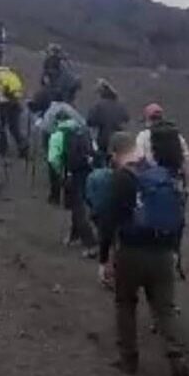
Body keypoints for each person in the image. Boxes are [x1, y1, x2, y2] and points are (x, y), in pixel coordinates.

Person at [98, 131, 189, 376]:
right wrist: (174, 251)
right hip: (162, 253)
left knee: (125, 303)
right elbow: (179, 217)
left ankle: (129, 359)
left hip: (131, 252)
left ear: (116, 154)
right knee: (164, 309)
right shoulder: (161, 174)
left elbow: (108, 221)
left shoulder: (122, 178)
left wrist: (104, 258)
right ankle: (176, 356)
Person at [47, 110, 97, 254]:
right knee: (85, 203)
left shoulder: (58, 135)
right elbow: (94, 149)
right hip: (88, 170)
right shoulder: (83, 131)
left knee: (78, 207)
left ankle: (91, 243)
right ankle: (75, 236)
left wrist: (60, 172)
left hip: (71, 173)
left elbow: (53, 159)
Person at [39, 99, 86, 206]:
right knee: (70, 171)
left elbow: (45, 129)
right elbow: (83, 124)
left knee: (54, 171)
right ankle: (69, 201)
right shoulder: (70, 110)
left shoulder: (50, 113)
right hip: (72, 143)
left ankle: (55, 197)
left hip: (56, 141)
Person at [0, 52, 28, 158]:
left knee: (1, 126)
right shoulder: (9, 71)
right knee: (14, 127)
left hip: (2, 103)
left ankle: (3, 148)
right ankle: (23, 145)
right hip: (15, 102)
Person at [87, 79, 130, 163]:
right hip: (118, 143)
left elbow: (90, 121)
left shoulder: (98, 106)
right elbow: (126, 119)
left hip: (103, 143)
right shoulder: (120, 105)